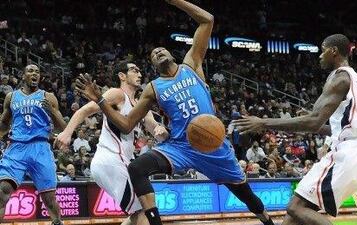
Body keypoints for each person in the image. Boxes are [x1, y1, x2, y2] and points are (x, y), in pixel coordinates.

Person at [75, 1, 275, 225]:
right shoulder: (153, 88)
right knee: (137, 168)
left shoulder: (191, 65)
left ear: (171, 54)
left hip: (213, 145)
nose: (158, 51)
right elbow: (127, 124)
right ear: (153, 65)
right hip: (181, 147)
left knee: (246, 196)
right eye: (153, 54)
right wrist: (101, 101)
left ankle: (266, 220)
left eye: (161, 49)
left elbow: (207, 20)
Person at [233, 34, 357, 225]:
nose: (320, 56)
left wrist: (263, 123)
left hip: (350, 153)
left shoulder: (340, 78)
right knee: (293, 217)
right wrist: (316, 126)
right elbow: (337, 128)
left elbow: (312, 121)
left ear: (333, 51)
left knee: (295, 207)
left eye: (322, 51)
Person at [55, 61, 169, 225]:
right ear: (122, 76)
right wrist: (67, 132)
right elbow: (85, 110)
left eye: (139, 70)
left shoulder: (139, 105)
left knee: (140, 211)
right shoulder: (117, 94)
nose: (139, 74)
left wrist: (161, 131)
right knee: (145, 210)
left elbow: (153, 127)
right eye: (133, 70)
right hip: (111, 158)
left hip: (120, 161)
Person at [0, 64, 66, 225]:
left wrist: (52, 111)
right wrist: (2, 136)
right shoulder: (12, 97)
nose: (34, 73)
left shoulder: (48, 96)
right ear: (23, 76)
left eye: (37, 71)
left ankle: (58, 222)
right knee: (2, 192)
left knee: (49, 200)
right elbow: (4, 122)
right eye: (30, 71)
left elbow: (63, 127)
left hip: (40, 147)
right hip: (17, 148)